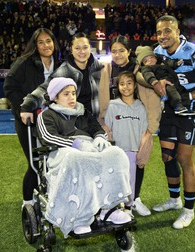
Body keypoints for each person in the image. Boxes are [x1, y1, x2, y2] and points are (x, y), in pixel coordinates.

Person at [36, 77, 131, 235]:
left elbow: (96, 129)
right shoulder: (47, 116)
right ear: (55, 97)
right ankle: (80, 218)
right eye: (66, 94)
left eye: (73, 93)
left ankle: (109, 209)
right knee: (76, 157)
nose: (72, 97)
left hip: (90, 150)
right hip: (63, 153)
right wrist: (75, 144)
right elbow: (48, 137)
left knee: (117, 154)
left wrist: (100, 137)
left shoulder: (82, 112)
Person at [150, 15, 195, 229]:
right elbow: (145, 73)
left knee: (184, 159)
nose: (163, 36)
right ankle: (174, 200)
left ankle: (188, 210)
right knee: (167, 157)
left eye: (167, 31)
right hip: (169, 111)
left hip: (190, 112)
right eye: (159, 31)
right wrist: (155, 81)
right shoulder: (158, 52)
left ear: (178, 31)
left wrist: (189, 96)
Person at [98, 35, 161, 217]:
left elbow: (152, 100)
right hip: (114, 123)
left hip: (137, 125)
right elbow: (103, 98)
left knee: (138, 162)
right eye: (114, 51)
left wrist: (149, 130)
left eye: (121, 50)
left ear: (128, 51)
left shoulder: (139, 70)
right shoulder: (106, 70)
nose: (117, 55)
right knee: (113, 164)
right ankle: (114, 200)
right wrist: (104, 124)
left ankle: (136, 198)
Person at [4, 28, 62, 208]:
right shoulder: (24, 62)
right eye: (41, 42)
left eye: (49, 41)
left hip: (52, 121)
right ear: (35, 45)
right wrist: (23, 108)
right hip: (28, 121)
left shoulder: (60, 64)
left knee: (53, 161)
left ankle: (49, 196)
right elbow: (9, 87)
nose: (46, 45)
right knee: (35, 162)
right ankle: (28, 201)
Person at [20, 32, 104, 124]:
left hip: (95, 123)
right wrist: (28, 105)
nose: (82, 52)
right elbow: (45, 90)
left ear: (90, 48)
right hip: (72, 125)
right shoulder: (64, 71)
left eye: (85, 47)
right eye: (77, 48)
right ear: (71, 49)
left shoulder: (99, 68)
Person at [104, 71, 148, 217]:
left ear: (135, 85)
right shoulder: (113, 105)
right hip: (116, 151)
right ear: (118, 87)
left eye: (129, 83)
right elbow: (107, 128)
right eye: (122, 84)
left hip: (132, 151)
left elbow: (143, 132)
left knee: (130, 180)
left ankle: (129, 208)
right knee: (114, 180)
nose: (126, 87)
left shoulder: (140, 107)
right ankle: (113, 207)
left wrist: (141, 151)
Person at [135, 45, 195, 115]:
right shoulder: (146, 68)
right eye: (146, 60)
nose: (150, 60)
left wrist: (176, 63)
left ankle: (186, 108)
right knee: (173, 94)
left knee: (184, 93)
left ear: (156, 58)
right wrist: (154, 81)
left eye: (151, 57)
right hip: (165, 84)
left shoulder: (163, 63)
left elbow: (170, 63)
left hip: (175, 82)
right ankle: (178, 107)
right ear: (143, 63)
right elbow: (148, 74)